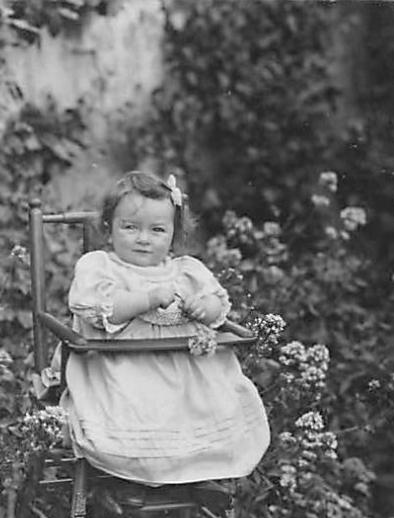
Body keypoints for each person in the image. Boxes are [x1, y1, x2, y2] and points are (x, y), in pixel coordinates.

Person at [61, 170, 270, 485]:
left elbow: (218, 308)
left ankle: (194, 475)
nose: (143, 239)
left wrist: (205, 307)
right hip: (121, 371)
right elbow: (99, 311)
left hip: (184, 379)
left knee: (203, 415)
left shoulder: (187, 272)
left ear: (174, 235)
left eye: (157, 230)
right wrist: (147, 298)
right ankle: (145, 477)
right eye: (130, 227)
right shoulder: (99, 268)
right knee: (137, 420)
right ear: (109, 229)